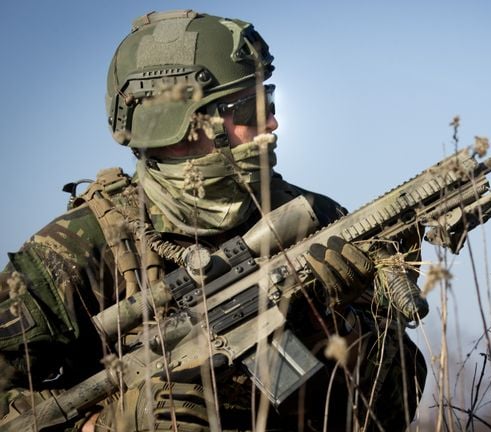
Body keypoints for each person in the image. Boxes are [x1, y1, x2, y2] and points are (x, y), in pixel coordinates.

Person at [0, 9, 426, 431]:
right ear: (180, 122)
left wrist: (341, 330)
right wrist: (110, 424)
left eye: (270, 100)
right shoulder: (72, 250)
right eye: (249, 108)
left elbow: (391, 414)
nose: (272, 121)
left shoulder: (316, 222)